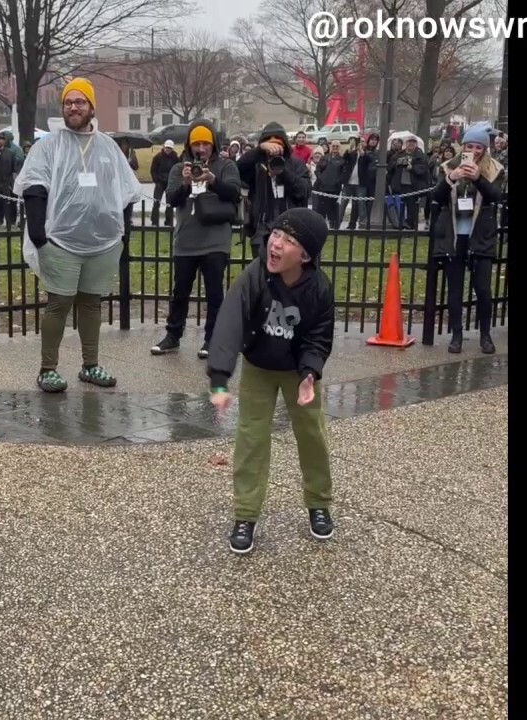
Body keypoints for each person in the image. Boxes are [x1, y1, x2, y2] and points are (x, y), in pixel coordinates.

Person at [207, 208, 335, 554]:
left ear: (305, 255)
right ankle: (246, 513)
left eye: (289, 241)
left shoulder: (318, 288)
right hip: (259, 367)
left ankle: (318, 503)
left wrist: (309, 374)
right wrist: (219, 378)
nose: (276, 244)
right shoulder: (255, 275)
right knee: (251, 437)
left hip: (298, 373)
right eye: (276, 234)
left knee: (312, 435)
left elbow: (318, 338)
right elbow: (231, 319)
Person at [16, 78, 141, 393]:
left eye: (80, 101)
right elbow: (34, 185)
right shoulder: (50, 146)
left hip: (101, 243)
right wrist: (38, 234)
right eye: (68, 102)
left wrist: (123, 233)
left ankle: (90, 364)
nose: (74, 107)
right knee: (59, 302)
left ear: (91, 107)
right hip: (61, 242)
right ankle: (48, 369)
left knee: (91, 304)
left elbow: (126, 192)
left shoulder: (108, 147)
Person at [150, 118, 241, 359]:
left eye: (206, 144)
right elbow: (171, 199)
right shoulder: (179, 169)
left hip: (215, 240)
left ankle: (213, 339)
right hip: (186, 241)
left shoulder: (226, 166)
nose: (201, 149)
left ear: (213, 144)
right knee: (180, 292)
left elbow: (234, 193)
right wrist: (186, 184)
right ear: (189, 145)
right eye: (196, 144)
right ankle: (173, 336)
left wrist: (212, 180)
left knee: (214, 293)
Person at [431, 124, 506, 354]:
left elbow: (496, 197)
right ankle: (456, 336)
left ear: (485, 149)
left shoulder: (494, 169)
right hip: (455, 236)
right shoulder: (448, 167)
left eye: (478, 147)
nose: (473, 151)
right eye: (469, 146)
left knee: (483, 289)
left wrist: (478, 179)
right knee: (454, 289)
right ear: (462, 147)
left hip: (480, 236)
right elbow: (436, 197)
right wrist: (451, 178)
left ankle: (485, 335)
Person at [236, 122, 311, 261]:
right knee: (262, 274)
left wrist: (283, 173)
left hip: (290, 230)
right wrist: (259, 151)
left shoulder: (296, 164)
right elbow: (237, 170)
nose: (274, 151)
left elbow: (304, 192)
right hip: (262, 229)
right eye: (270, 146)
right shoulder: (257, 165)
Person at [149, 140, 180, 227]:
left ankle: (168, 221)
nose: (168, 150)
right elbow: (153, 170)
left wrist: (173, 181)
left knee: (169, 203)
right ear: (164, 147)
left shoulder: (175, 158)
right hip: (159, 183)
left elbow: (177, 170)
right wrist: (157, 180)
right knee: (156, 202)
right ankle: (154, 221)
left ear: (172, 149)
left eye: (170, 148)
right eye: (167, 148)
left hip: (170, 183)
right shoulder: (157, 157)